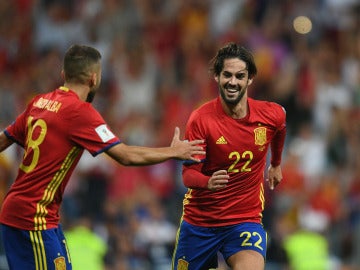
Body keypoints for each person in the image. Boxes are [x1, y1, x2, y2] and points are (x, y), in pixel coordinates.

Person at [0, 44, 205, 270]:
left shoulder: (39, 102)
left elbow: (4, 139)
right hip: (33, 216)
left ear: (63, 74)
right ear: (94, 78)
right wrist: (173, 151)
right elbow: (125, 155)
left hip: (21, 211)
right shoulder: (79, 112)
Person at [172, 42, 287, 270]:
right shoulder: (201, 120)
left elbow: (280, 126)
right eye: (227, 75)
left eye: (239, 76)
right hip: (200, 223)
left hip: (244, 221)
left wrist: (275, 164)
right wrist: (208, 182)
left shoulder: (270, 114)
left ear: (250, 79)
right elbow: (188, 175)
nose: (232, 82)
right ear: (216, 76)